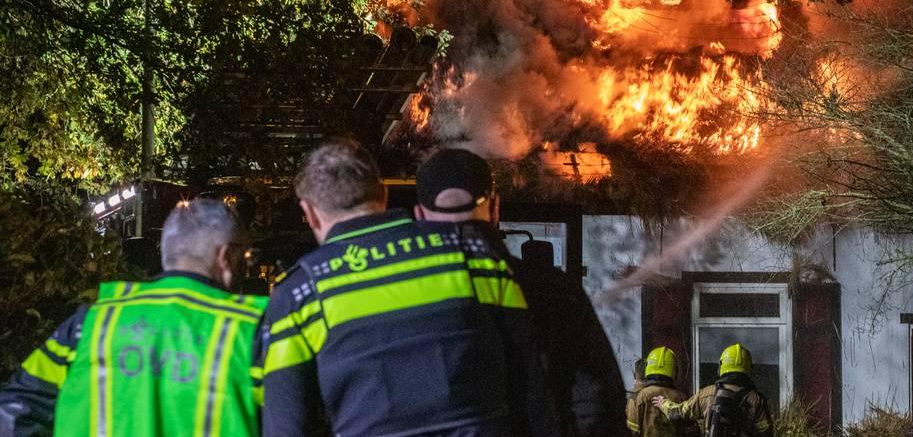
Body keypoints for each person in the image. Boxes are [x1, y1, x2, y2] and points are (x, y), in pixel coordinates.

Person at [258, 139, 557, 436]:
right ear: (384, 193)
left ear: (308, 212)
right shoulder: (471, 253)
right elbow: (530, 381)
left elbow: (287, 425)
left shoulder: (300, 293)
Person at [0, 198, 266, 437]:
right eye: (246, 256)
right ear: (226, 257)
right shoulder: (251, 330)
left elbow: (14, 410)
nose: (247, 264)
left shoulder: (92, 323)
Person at [414, 148, 626, 437]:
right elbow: (597, 400)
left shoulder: (398, 296)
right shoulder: (554, 290)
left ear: (419, 215)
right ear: (495, 207)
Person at [653, 344, 773, 437]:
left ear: (721, 365)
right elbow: (766, 432)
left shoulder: (707, 393)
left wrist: (663, 403)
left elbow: (679, 413)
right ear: (749, 368)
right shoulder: (756, 399)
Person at [627, 347, 693, 436]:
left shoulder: (638, 397)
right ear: (675, 371)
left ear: (648, 367)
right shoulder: (683, 398)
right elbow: (690, 431)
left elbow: (631, 431)